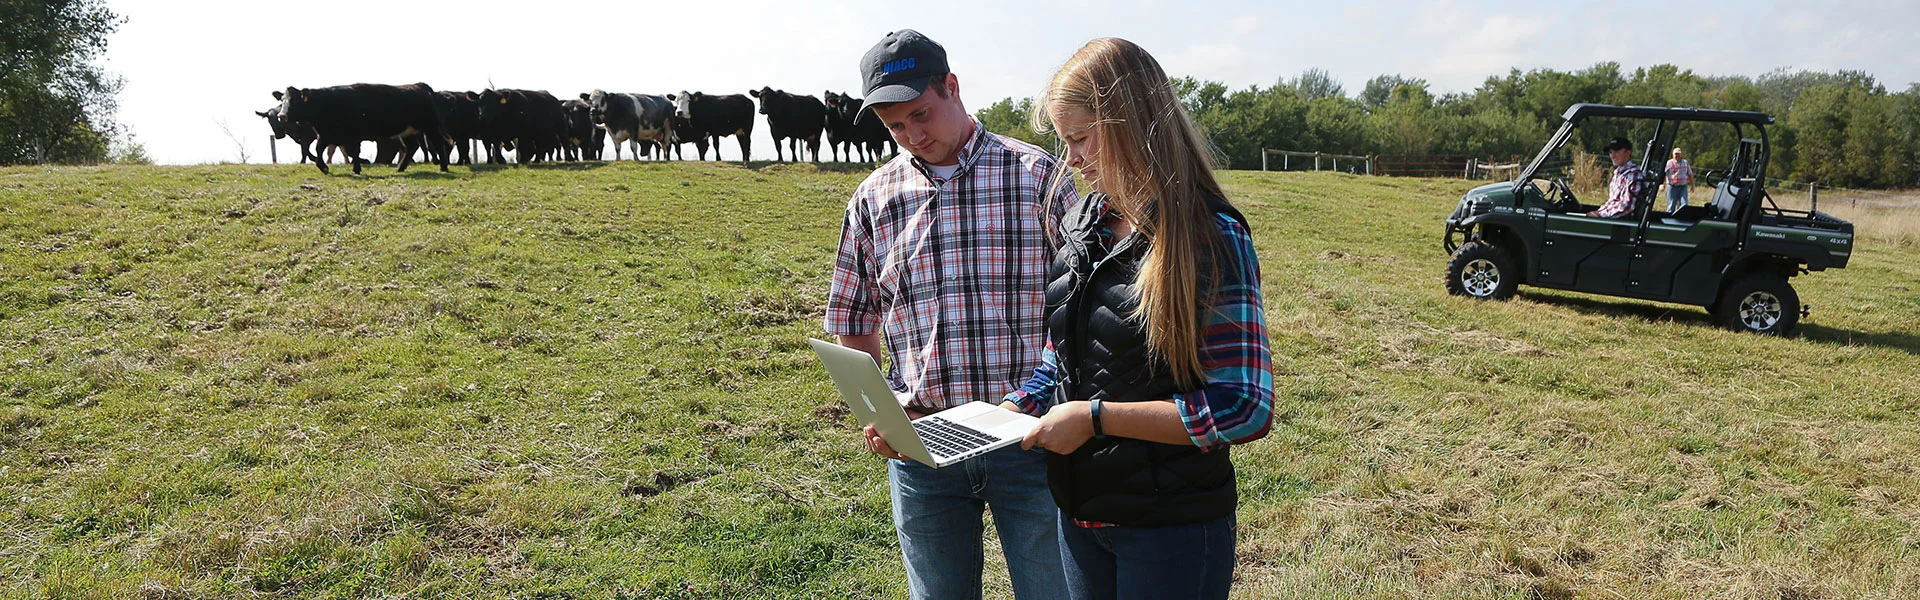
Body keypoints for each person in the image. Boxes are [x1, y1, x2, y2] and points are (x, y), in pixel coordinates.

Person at [1007, 37, 1275, 600]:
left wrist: (1096, 418)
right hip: (1082, 517)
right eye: (1064, 142)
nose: (1071, 161)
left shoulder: (1208, 238)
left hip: (1170, 531)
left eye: (1080, 139)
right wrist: (1022, 403)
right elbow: (1069, 348)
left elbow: (1245, 408)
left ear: (1132, 123)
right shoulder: (1086, 221)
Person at [823, 29, 1076, 600]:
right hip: (923, 445)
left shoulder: (1037, 177)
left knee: (1053, 590)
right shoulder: (873, 198)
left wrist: (1041, 401)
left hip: (1030, 438)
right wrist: (879, 411)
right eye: (895, 127)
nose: (913, 135)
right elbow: (854, 319)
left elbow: (1078, 310)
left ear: (953, 88)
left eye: (922, 114)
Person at [1588, 136, 1650, 218]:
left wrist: (1602, 215)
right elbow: (1612, 202)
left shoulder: (1633, 175)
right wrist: (1599, 212)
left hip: (1622, 225)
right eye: (1610, 152)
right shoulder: (1618, 173)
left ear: (1628, 152)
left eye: (1616, 152)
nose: (1612, 156)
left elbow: (1627, 205)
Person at [1665, 147, 1693, 212]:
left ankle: (1682, 219)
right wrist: (1662, 184)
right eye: (1676, 154)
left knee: (1684, 205)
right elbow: (1664, 173)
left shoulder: (1685, 163)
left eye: (1678, 154)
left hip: (1683, 187)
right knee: (1671, 206)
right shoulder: (1669, 163)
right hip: (1672, 187)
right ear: (1673, 154)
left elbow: (1690, 174)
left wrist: (1692, 186)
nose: (1677, 155)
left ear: (1681, 154)